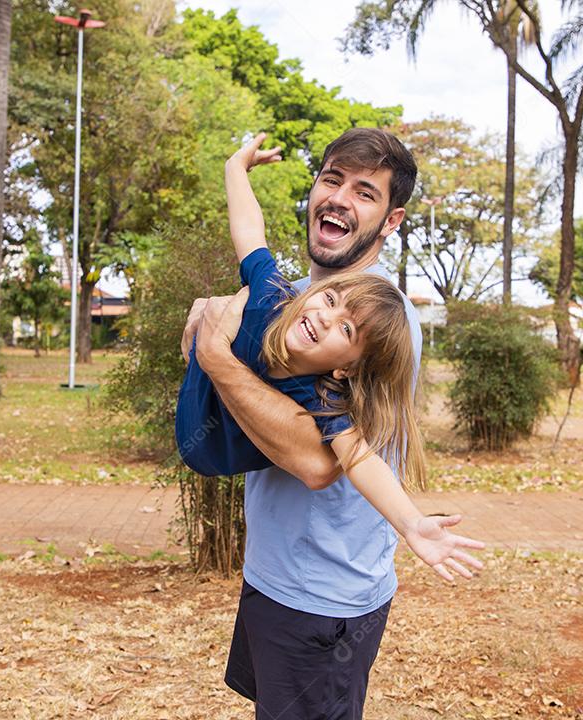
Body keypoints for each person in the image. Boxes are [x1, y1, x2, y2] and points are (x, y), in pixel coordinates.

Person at [183, 128, 484, 719]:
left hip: (324, 600)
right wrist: (234, 167)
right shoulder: (290, 300)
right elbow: (249, 231)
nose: (341, 197)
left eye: (365, 191)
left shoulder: (383, 329)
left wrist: (412, 524)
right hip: (274, 575)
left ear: (391, 220)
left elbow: (337, 459)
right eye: (332, 179)